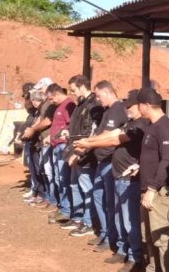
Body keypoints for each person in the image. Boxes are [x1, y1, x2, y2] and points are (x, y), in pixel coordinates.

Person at [132, 87, 169, 272]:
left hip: (158, 191)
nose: (136, 108)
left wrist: (152, 189)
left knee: (161, 238)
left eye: (138, 105)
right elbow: (153, 157)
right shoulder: (153, 126)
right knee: (148, 235)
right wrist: (139, 168)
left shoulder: (165, 126)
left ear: (145, 105)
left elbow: (168, 159)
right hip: (148, 189)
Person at [85, 81, 129, 255]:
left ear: (107, 92)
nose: (97, 99)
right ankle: (106, 233)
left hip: (110, 161)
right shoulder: (108, 111)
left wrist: (88, 144)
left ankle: (113, 238)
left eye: (98, 95)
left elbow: (107, 135)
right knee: (98, 197)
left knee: (111, 203)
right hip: (102, 161)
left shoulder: (118, 109)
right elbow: (99, 133)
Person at [63, 75, 103, 237]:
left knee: (87, 188)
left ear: (81, 86)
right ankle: (80, 218)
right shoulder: (81, 104)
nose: (72, 93)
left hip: (86, 155)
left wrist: (80, 152)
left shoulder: (93, 105)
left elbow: (91, 132)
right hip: (77, 150)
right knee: (75, 186)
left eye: (73, 89)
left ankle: (88, 221)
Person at [45, 84, 76, 224]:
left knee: (64, 179)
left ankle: (67, 210)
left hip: (63, 146)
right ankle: (64, 208)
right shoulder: (61, 105)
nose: (51, 101)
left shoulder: (68, 104)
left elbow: (70, 125)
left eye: (52, 98)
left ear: (57, 94)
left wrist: (63, 138)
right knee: (59, 178)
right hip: (57, 146)